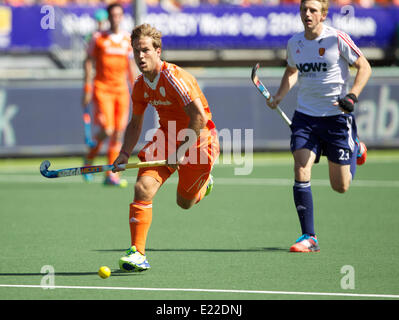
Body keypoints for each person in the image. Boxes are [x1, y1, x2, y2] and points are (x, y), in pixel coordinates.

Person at [266, 0, 371, 252]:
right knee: (301, 168)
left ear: (323, 14)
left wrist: (352, 96)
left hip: (336, 118)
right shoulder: (294, 43)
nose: (307, 14)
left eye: (313, 10)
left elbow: (365, 67)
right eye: (304, 9)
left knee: (341, 187)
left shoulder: (337, 39)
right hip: (305, 117)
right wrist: (280, 95)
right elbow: (292, 71)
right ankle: (309, 237)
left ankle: (355, 147)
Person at [112, 24, 220, 271]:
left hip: (200, 140)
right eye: (136, 51)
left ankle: (205, 184)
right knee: (142, 188)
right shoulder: (140, 85)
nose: (140, 56)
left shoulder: (175, 78)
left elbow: (200, 118)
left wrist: (180, 152)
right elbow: (135, 123)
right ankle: (137, 253)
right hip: (166, 137)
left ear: (158, 51)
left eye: (146, 50)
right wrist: (124, 153)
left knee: (185, 203)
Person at [82, 3, 136, 186]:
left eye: (119, 15)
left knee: (119, 132)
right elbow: (88, 62)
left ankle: (112, 174)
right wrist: (87, 88)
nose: (116, 18)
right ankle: (89, 159)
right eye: (113, 15)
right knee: (107, 129)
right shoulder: (99, 38)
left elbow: (131, 67)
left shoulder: (127, 39)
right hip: (102, 88)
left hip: (121, 90)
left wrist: (136, 88)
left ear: (122, 17)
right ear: (108, 17)